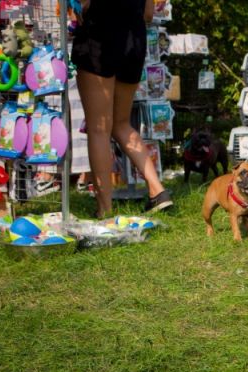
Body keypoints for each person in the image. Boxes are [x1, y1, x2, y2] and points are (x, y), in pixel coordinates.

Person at [72, 0, 172, 218]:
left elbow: (83, 5)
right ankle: (158, 191)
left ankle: (104, 210)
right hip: (133, 41)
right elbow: (148, 13)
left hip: (100, 38)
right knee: (120, 124)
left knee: (99, 129)